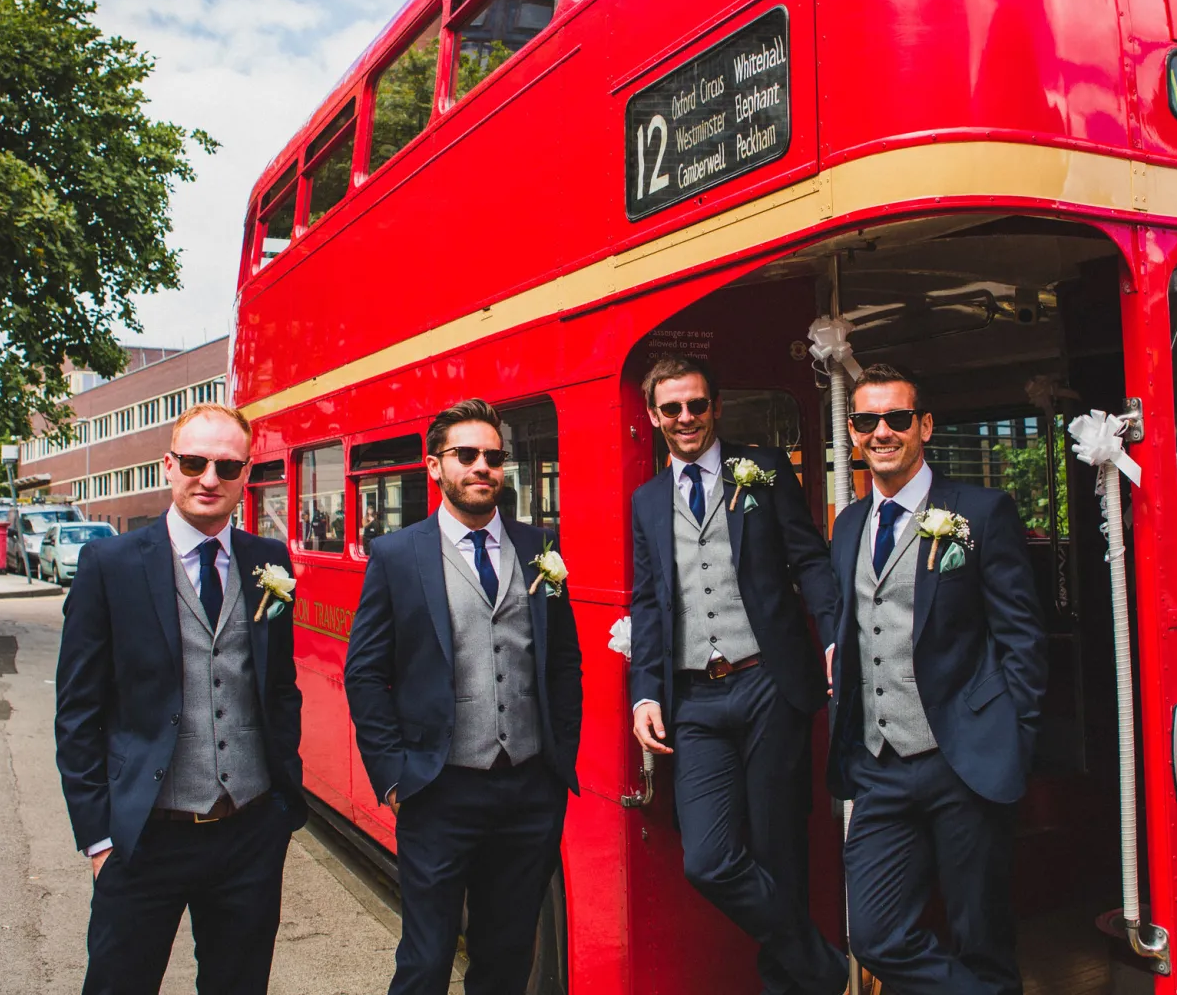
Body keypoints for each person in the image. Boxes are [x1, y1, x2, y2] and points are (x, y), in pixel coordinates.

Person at [54, 403, 307, 995]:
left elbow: (278, 687)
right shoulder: (109, 564)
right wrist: (99, 838)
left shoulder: (268, 563)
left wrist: (280, 808)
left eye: (227, 465)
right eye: (194, 461)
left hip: (248, 834)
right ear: (169, 465)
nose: (209, 478)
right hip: (144, 837)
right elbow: (77, 712)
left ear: (246, 473)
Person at [627, 355, 848, 995]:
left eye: (697, 404)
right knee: (710, 860)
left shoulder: (765, 469)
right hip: (693, 699)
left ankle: (791, 987)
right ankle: (825, 968)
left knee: (781, 851)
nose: (686, 417)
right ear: (654, 417)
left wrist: (833, 638)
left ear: (716, 406)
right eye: (672, 408)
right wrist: (645, 689)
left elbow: (809, 562)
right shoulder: (647, 501)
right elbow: (649, 601)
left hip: (767, 685)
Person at [346, 399, 583, 995]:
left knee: (506, 961)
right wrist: (395, 777)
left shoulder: (538, 547)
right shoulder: (398, 555)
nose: (482, 467)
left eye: (493, 457)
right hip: (439, 790)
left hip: (529, 789)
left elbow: (563, 663)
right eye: (467, 455)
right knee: (426, 961)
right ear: (435, 466)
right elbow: (366, 674)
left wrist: (558, 762)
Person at [826, 364, 1047, 995]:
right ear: (853, 431)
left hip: (963, 762)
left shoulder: (979, 511)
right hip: (878, 766)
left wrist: (1014, 738)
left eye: (897, 418)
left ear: (924, 425)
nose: (883, 432)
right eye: (868, 421)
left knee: (982, 937)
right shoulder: (848, 526)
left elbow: (1021, 638)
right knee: (873, 935)